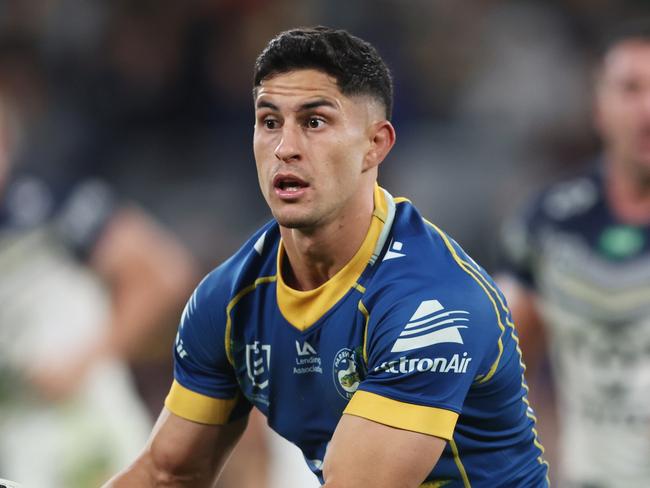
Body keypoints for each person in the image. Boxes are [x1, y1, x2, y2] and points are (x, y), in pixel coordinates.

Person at [105, 26, 549, 487]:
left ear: (375, 144)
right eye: (269, 122)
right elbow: (166, 473)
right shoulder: (230, 299)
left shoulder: (433, 303)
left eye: (314, 122)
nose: (285, 148)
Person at [0, 91, 200, 487]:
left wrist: (84, 360)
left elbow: (166, 272)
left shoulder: (49, 203)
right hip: (20, 448)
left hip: (91, 432)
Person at [498, 20, 650, 488]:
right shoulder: (549, 223)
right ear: (599, 106)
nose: (648, 109)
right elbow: (495, 364)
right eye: (630, 88)